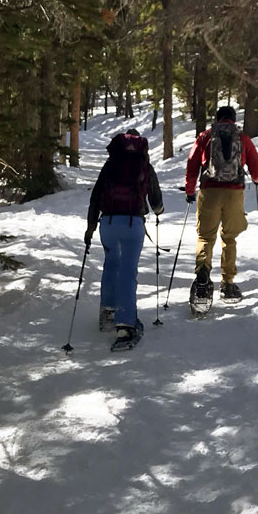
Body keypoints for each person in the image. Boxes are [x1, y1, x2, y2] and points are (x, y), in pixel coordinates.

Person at [86, 130, 163, 351]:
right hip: (132, 224)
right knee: (128, 271)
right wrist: (158, 210)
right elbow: (156, 202)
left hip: (108, 224)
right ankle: (125, 324)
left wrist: (90, 228)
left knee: (111, 263)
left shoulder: (110, 166)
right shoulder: (144, 167)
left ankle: (108, 312)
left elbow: (95, 198)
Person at [184, 106, 258, 304]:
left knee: (205, 236)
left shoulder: (205, 136)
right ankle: (227, 284)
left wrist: (189, 190)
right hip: (234, 193)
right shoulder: (242, 138)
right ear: (233, 119)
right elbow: (257, 170)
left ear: (218, 119)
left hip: (209, 191)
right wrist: (257, 179)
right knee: (229, 237)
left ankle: (203, 274)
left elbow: (192, 164)